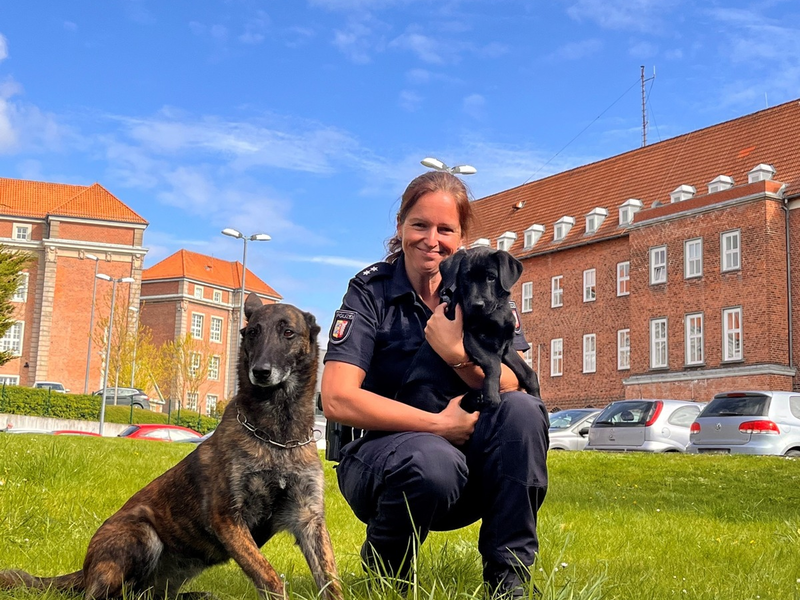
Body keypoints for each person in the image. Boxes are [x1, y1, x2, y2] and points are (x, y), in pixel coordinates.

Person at [320, 170, 549, 597]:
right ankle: (388, 575)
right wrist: (439, 425)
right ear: (400, 227)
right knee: (430, 459)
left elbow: (518, 382)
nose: (432, 239)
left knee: (524, 412)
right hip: (386, 461)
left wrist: (456, 355)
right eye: (420, 224)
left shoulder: (482, 285)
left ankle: (509, 581)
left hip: (472, 467)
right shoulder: (370, 293)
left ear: (461, 238)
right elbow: (335, 398)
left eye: (446, 229)